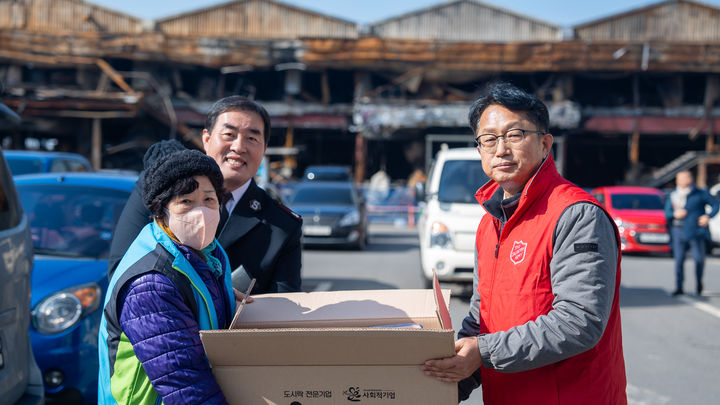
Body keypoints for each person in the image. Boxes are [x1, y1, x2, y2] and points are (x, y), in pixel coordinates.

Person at [421, 82, 627, 404]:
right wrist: (445, 380)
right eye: (488, 139)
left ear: (545, 144)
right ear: (480, 151)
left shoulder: (576, 215)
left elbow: (580, 321)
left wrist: (483, 352)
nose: (500, 149)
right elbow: (481, 319)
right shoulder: (490, 224)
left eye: (514, 135)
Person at [108, 96, 302, 294]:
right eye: (229, 134)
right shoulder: (161, 190)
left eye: (252, 138)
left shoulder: (282, 226)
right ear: (207, 139)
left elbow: (283, 304)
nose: (238, 147)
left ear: (264, 149)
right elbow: (121, 270)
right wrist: (212, 295)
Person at [98, 149, 248, 404]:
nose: (201, 212)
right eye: (186, 202)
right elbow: (184, 382)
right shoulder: (150, 284)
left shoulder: (208, 251)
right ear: (161, 211)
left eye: (209, 200)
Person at [665, 170, 718, 296]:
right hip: (678, 230)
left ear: (690, 179)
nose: (681, 181)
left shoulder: (700, 194)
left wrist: (708, 216)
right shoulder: (673, 195)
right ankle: (679, 287)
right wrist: (674, 214)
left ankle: (699, 284)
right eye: (679, 179)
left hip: (696, 231)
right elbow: (667, 213)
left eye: (683, 178)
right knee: (679, 260)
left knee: (699, 259)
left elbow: (716, 204)